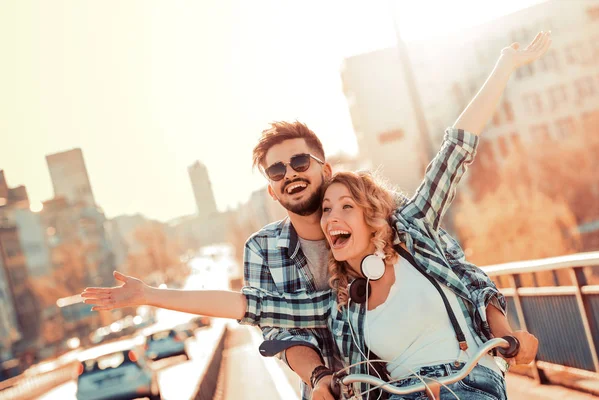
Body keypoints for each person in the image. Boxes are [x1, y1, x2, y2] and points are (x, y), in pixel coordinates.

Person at [82, 31, 550, 400]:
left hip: (473, 383)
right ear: (270, 187)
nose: (290, 174)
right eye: (277, 170)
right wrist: (150, 294)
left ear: (327, 171)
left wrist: (504, 65)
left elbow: (455, 155)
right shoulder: (330, 295)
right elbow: (256, 310)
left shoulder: (410, 229)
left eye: (300, 162)